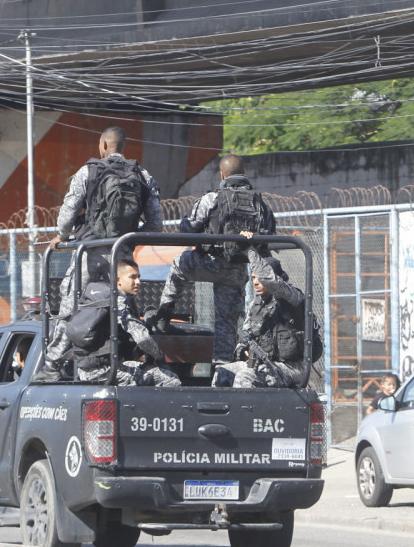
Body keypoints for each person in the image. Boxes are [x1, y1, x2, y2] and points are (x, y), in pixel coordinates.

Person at [36, 126, 163, 379]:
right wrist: (129, 240)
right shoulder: (141, 174)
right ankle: (139, 359)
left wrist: (61, 236)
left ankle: (52, 366)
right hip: (123, 257)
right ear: (122, 146)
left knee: (72, 305)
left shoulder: (89, 171)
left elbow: (68, 211)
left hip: (89, 252)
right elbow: (155, 224)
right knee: (121, 307)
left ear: (103, 145)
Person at [147, 154, 275, 365]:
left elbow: (187, 228)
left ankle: (164, 313)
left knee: (179, 264)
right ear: (244, 174)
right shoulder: (260, 203)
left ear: (222, 175)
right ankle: (222, 371)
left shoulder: (212, 199)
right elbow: (269, 235)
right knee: (225, 322)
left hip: (209, 263)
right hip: (238, 271)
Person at [213, 247, 315, 389]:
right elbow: (245, 336)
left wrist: (249, 248)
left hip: (291, 367)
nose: (255, 282)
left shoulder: (292, 298)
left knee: (245, 378)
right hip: (261, 364)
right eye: (253, 277)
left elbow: (272, 281)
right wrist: (244, 350)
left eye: (260, 278)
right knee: (222, 373)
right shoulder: (256, 305)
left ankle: (244, 411)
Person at [72, 260, 181, 387]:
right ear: (118, 280)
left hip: (88, 370)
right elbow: (142, 339)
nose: (138, 282)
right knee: (171, 379)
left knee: (143, 371)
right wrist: (160, 357)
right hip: (107, 371)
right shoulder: (118, 303)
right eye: (132, 277)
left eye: (139, 277)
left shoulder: (102, 299)